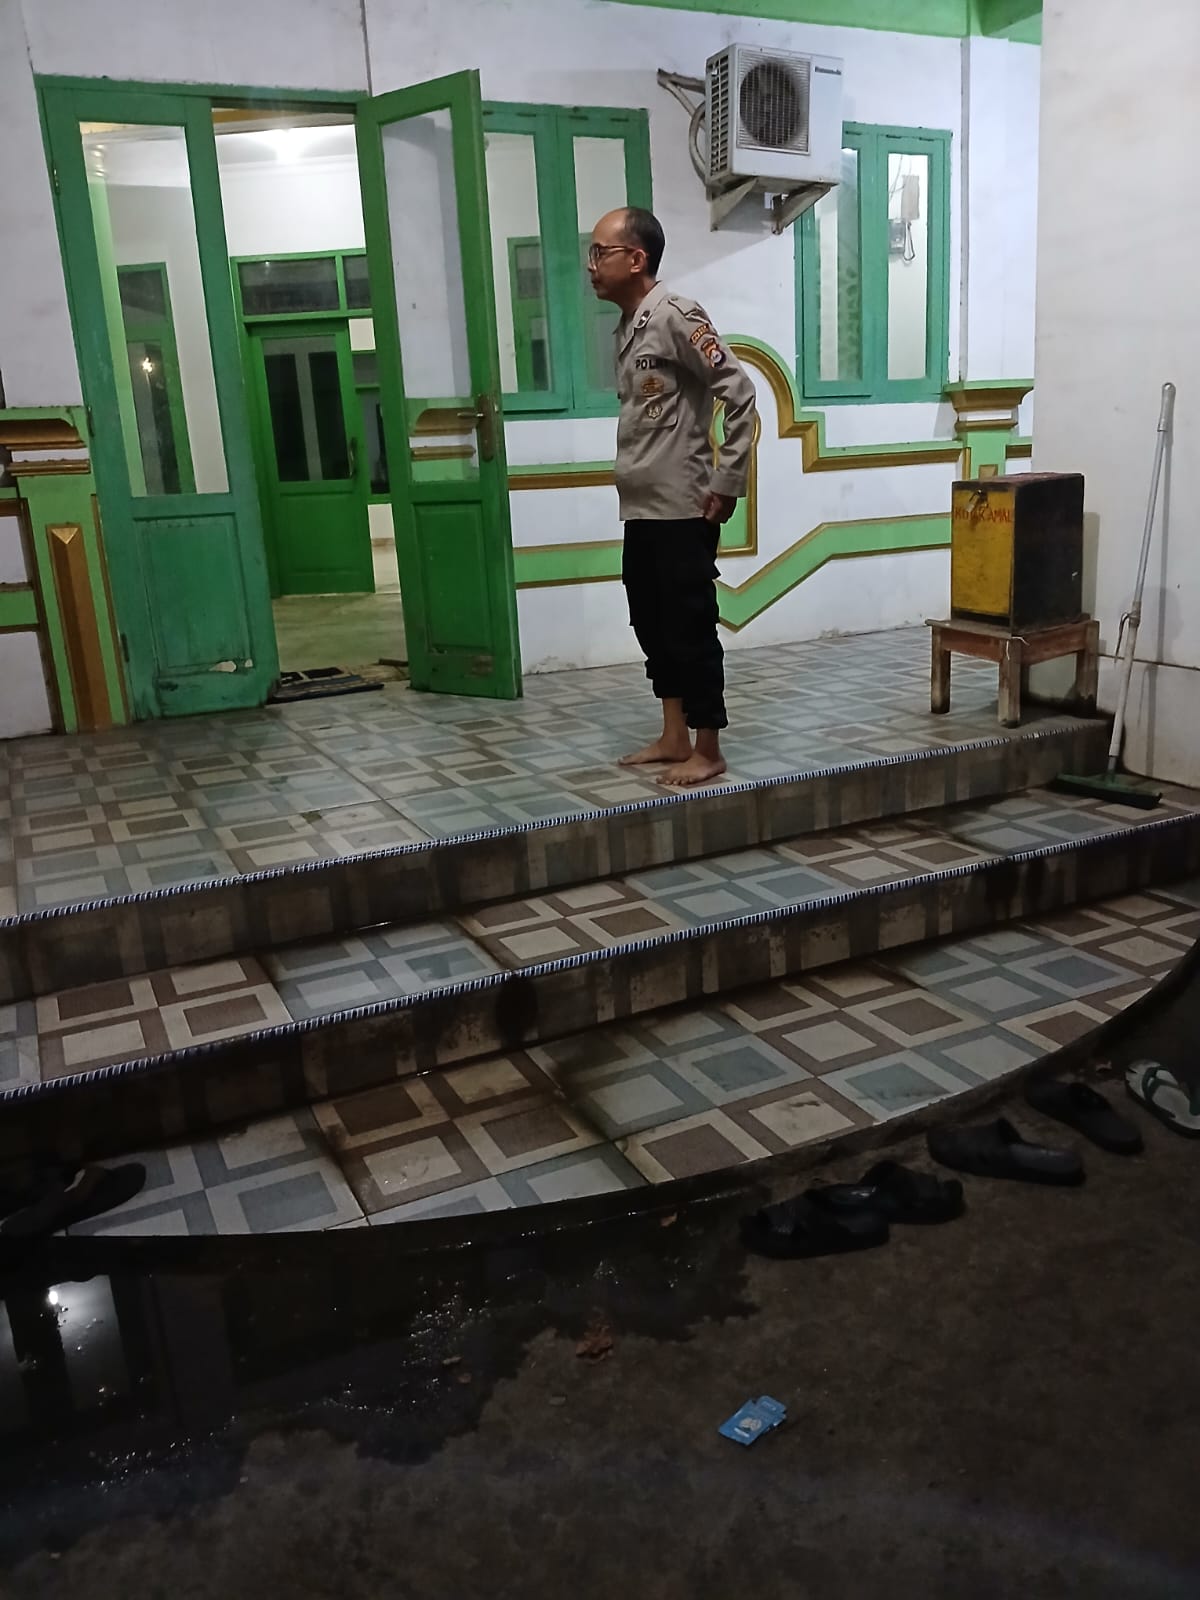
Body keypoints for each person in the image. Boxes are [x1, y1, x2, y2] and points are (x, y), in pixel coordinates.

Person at [588, 206, 757, 787]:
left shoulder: (677, 317)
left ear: (636, 258)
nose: (591, 265)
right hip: (642, 507)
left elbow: (739, 394)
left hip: (684, 508)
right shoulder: (629, 326)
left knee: (689, 626)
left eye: (600, 252)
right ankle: (673, 735)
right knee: (650, 622)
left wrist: (727, 482)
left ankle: (708, 747)